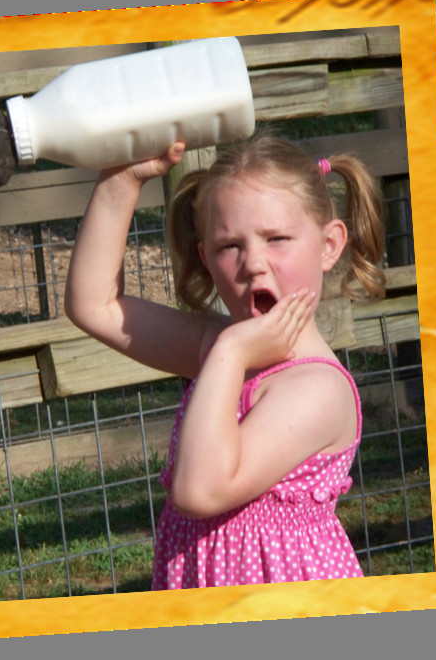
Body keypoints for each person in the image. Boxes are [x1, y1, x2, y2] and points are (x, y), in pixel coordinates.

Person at [64, 134, 386, 589]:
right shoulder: (214, 345)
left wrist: (231, 352)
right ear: (207, 260)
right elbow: (93, 304)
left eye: (277, 238)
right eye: (229, 246)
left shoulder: (316, 388)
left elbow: (202, 491)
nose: (253, 263)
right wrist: (123, 180)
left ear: (329, 245)